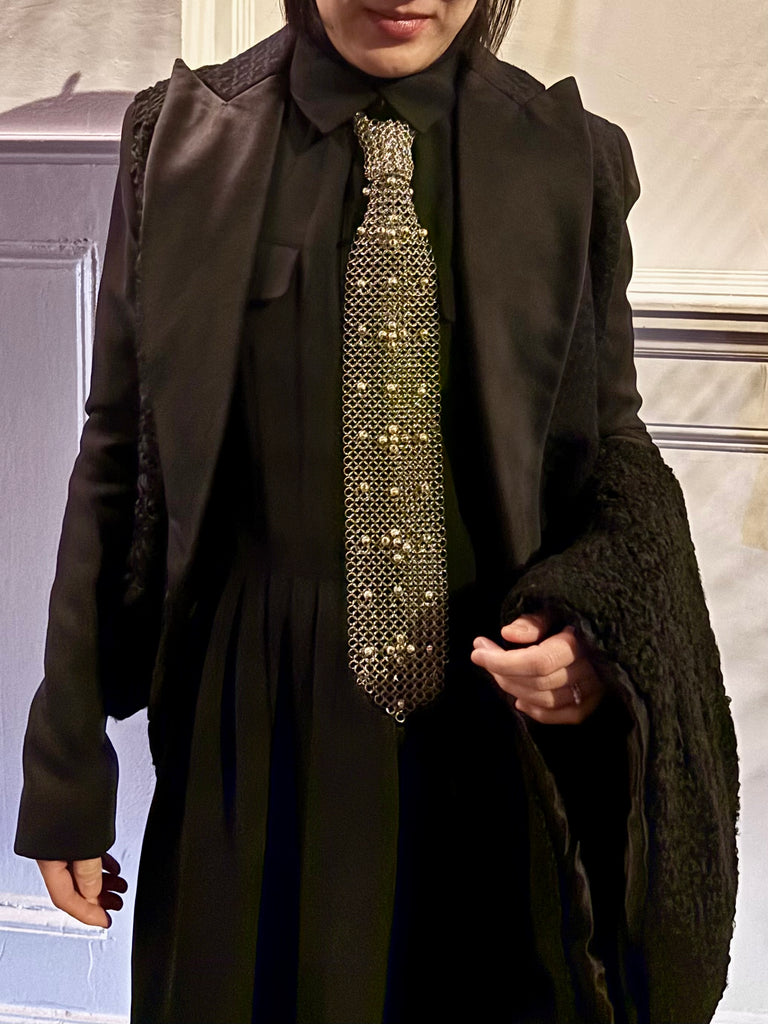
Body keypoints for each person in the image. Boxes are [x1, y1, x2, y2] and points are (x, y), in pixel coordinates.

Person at [15, 1, 738, 1022]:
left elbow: (611, 450)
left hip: (488, 740)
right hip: (249, 739)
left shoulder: (573, 159)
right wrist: (65, 768)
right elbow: (117, 450)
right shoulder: (178, 145)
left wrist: (597, 636)